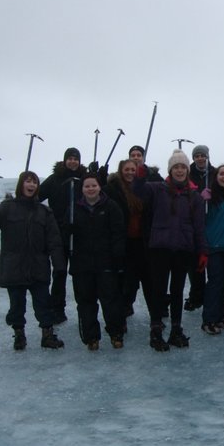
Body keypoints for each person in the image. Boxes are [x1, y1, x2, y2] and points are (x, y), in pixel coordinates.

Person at [0, 171, 65, 350]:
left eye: (34, 182)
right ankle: (19, 335)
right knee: (17, 304)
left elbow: (54, 240)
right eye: (28, 181)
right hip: (14, 267)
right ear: (21, 185)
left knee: (43, 303)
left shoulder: (44, 212)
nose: (31, 185)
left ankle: (47, 335)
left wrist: (59, 264)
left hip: (38, 266)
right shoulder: (8, 207)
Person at [133, 149, 207, 351]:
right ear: (170, 170)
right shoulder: (157, 189)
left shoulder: (196, 197)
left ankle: (176, 329)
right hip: (160, 248)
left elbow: (199, 227)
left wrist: (202, 252)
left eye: (183, 166)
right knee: (158, 290)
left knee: (177, 291)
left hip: (183, 249)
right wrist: (140, 176)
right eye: (176, 167)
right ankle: (156, 329)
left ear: (187, 169)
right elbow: (138, 190)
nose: (180, 170)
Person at [68, 174, 126, 350]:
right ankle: (91, 337)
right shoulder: (74, 209)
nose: (90, 189)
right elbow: (65, 233)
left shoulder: (110, 206)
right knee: (86, 302)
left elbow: (118, 232)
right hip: (82, 264)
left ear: (99, 187)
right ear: (82, 189)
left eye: (93, 185)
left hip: (106, 262)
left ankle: (116, 334)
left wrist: (117, 255)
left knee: (110, 301)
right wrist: (67, 230)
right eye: (87, 186)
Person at [38, 147, 87, 323]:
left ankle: (84, 308)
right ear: (65, 160)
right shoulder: (54, 179)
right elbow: (37, 197)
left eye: (76, 159)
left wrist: (100, 176)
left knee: (80, 273)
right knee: (59, 272)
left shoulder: (84, 178)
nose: (73, 161)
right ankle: (57, 309)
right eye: (70, 158)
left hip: (79, 235)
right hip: (59, 233)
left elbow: (98, 193)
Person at [104, 159, 152, 320]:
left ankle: (156, 314)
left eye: (133, 169)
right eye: (127, 169)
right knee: (126, 281)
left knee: (146, 279)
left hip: (142, 241)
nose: (130, 172)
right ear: (120, 170)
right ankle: (123, 311)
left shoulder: (144, 188)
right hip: (124, 241)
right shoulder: (113, 189)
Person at [201, 164, 224, 334]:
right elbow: (200, 221)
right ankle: (209, 318)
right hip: (214, 245)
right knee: (215, 282)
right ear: (216, 177)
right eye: (221, 174)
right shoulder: (209, 198)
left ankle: (223, 316)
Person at [186, 145, 216, 312]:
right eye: (196, 156)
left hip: (211, 220)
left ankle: (210, 296)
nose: (200, 158)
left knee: (211, 261)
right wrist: (198, 196)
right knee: (195, 263)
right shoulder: (188, 174)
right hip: (193, 222)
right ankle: (196, 295)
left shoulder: (215, 172)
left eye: (202, 155)